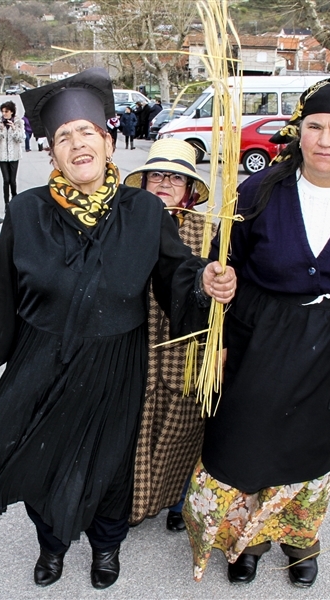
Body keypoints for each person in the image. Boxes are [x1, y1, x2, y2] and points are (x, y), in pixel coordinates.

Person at [0, 68, 236, 591]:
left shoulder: (144, 210)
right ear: (51, 153)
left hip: (117, 360)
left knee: (112, 464)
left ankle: (106, 548)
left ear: (108, 139)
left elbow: (177, 276)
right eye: (62, 137)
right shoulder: (28, 211)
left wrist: (205, 282)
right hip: (41, 357)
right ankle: (51, 547)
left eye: (87, 132)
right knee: (41, 455)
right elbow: (0, 291)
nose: (76, 143)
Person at [183, 78, 330, 588]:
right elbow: (223, 264)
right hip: (262, 336)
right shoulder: (260, 190)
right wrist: (216, 318)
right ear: (299, 131)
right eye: (315, 126)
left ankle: (298, 538)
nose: (326, 140)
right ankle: (249, 538)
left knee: (316, 448)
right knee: (247, 440)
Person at [124, 139, 214, 532]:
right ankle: (128, 504)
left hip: (186, 351)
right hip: (136, 347)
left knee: (183, 428)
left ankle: (178, 501)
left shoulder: (208, 232)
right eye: (156, 175)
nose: (164, 183)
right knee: (134, 431)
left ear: (190, 189)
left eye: (175, 177)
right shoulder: (125, 224)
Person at [0, 100, 25, 207]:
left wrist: (14, 128)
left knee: (12, 180)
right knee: (6, 180)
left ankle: (14, 199)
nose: (4, 114)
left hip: (14, 156)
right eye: (3, 111)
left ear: (12, 112)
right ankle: (6, 203)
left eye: (6, 111)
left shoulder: (19, 122)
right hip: (2, 156)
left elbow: (21, 139)